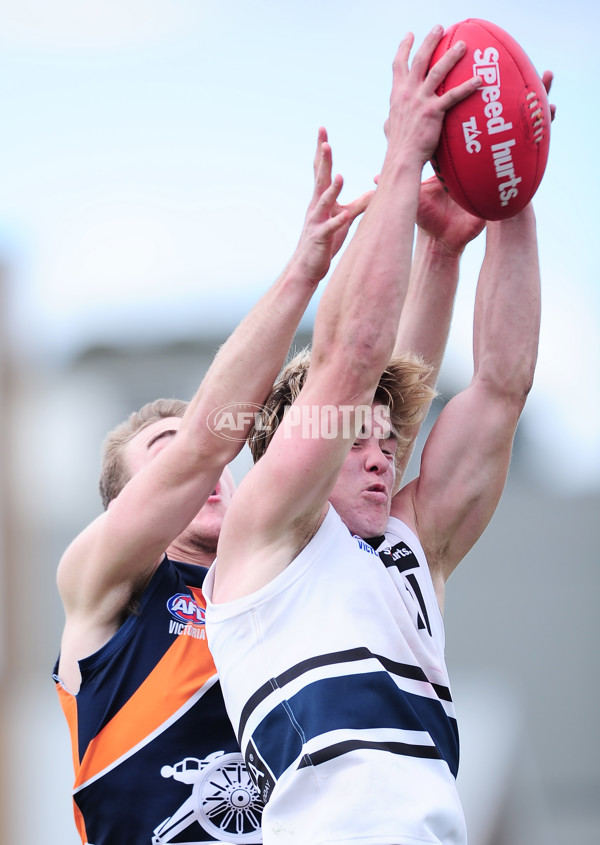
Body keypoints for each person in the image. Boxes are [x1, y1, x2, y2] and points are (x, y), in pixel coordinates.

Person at [204, 28, 542, 845]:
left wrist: (510, 195)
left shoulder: (409, 545)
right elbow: (349, 357)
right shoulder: (265, 539)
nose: (381, 449)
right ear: (298, 448)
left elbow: (500, 389)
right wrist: (404, 151)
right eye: (354, 436)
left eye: (388, 438)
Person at [52, 128, 373, 845]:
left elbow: (359, 377)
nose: (206, 471)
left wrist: (426, 241)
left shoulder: (273, 578)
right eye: (162, 459)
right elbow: (207, 441)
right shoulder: (99, 583)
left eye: (209, 462)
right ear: (128, 506)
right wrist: (304, 270)